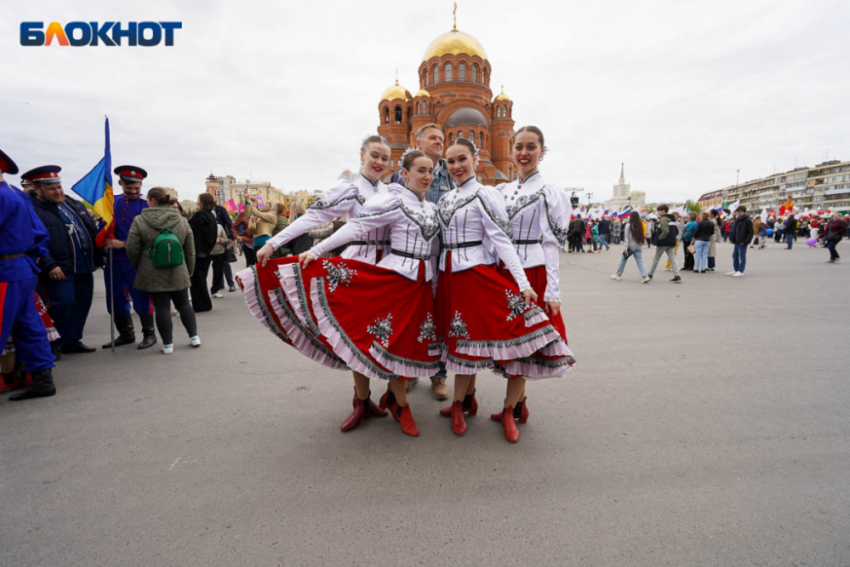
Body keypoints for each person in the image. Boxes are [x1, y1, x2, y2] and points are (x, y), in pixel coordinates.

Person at [285, 151, 442, 436]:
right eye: (421, 170)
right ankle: (388, 404)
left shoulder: (431, 209)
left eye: (430, 170)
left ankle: (394, 400)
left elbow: (435, 251)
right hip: (395, 281)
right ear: (405, 174)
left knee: (406, 345)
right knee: (384, 341)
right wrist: (316, 249)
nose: (427, 176)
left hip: (420, 286)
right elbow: (357, 226)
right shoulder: (394, 201)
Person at [238, 136, 394, 414]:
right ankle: (362, 400)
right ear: (361, 156)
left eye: (385, 158)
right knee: (356, 335)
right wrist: (274, 243)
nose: (380, 162)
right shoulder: (349, 189)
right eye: (374, 155)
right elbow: (312, 218)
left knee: (391, 332)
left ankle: (395, 397)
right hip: (358, 264)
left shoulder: (393, 192)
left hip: (390, 268)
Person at [436, 138, 567, 443]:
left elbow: (549, 243)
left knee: (524, 340)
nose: (523, 153)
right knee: (475, 336)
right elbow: (486, 239)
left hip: (530, 269)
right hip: (493, 270)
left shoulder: (548, 192)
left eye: (530, 147)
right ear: (510, 151)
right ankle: (472, 401)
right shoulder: (500, 191)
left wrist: (550, 289)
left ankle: (512, 408)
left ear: (542, 151)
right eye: (518, 147)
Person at [389, 123, 456, 400]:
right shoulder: (398, 176)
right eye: (433, 138)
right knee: (409, 318)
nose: (439, 142)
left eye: (442, 138)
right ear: (417, 144)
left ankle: (439, 376)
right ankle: (408, 372)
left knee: (438, 319)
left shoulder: (451, 174)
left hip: (441, 259)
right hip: (408, 261)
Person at [24, 166, 100, 356]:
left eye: (59, 186)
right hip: (59, 268)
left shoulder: (73, 203)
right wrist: (48, 264)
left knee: (82, 305)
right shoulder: (31, 209)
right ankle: (53, 344)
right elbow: (32, 241)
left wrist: (100, 251)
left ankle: (72, 341)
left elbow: (90, 229)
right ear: (37, 188)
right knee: (63, 305)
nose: (58, 191)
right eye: (51, 188)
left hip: (84, 265)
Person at [0, 148, 57, 400]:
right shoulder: (15, 194)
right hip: (21, 269)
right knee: (29, 326)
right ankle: (43, 380)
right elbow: (40, 233)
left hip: (5, 270)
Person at [125, 187, 200, 354]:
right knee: (184, 303)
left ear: (151, 200)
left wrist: (140, 265)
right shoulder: (181, 220)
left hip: (152, 270)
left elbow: (131, 248)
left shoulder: (140, 220)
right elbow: (190, 248)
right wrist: (190, 267)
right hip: (178, 268)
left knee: (162, 308)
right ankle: (194, 337)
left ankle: (168, 345)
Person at [101, 166, 157, 350]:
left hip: (137, 260)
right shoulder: (110, 202)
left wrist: (123, 243)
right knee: (115, 298)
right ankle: (126, 334)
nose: (133, 192)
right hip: (113, 260)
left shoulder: (146, 206)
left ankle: (149, 334)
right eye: (128, 188)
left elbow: (151, 235)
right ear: (120, 183)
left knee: (141, 297)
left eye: (137, 188)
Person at [188, 193, 218, 312]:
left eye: (198, 199)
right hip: (206, 251)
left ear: (202, 201)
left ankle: (201, 305)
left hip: (199, 252)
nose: (197, 201)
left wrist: (193, 251)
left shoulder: (200, 215)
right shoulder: (210, 215)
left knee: (197, 280)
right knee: (201, 279)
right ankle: (204, 303)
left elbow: (197, 235)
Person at [646, 205, 681, 283]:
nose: (658, 213)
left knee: (656, 258)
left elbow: (665, 231)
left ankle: (650, 274)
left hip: (663, 242)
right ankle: (677, 275)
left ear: (663, 211)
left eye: (658, 211)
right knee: (672, 259)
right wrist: (672, 237)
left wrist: (659, 238)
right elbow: (677, 231)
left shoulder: (663, 219)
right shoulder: (672, 219)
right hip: (671, 242)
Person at [611, 211, 649, 282]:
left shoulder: (628, 225)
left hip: (631, 246)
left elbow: (627, 237)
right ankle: (645, 276)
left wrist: (625, 246)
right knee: (640, 262)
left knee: (623, 260)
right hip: (639, 245)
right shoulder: (640, 225)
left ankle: (618, 275)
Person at [213, 199, 236, 293]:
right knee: (216, 264)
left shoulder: (221, 210)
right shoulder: (205, 212)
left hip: (222, 237)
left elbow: (229, 223)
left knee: (225, 262)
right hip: (211, 241)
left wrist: (231, 237)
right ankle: (220, 283)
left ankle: (231, 284)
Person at [729, 205, 754, 277]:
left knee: (742, 256)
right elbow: (735, 230)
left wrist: (746, 241)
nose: (738, 213)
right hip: (737, 241)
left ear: (744, 212)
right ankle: (736, 269)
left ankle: (741, 271)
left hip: (743, 242)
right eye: (737, 212)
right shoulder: (737, 219)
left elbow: (750, 232)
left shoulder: (748, 220)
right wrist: (733, 239)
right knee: (734, 256)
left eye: (740, 212)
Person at [209, 220, 229, 299]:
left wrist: (220, 240)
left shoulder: (219, 227)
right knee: (202, 273)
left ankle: (214, 290)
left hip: (219, 252)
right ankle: (200, 292)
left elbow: (226, 240)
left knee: (218, 272)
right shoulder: (203, 226)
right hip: (206, 252)